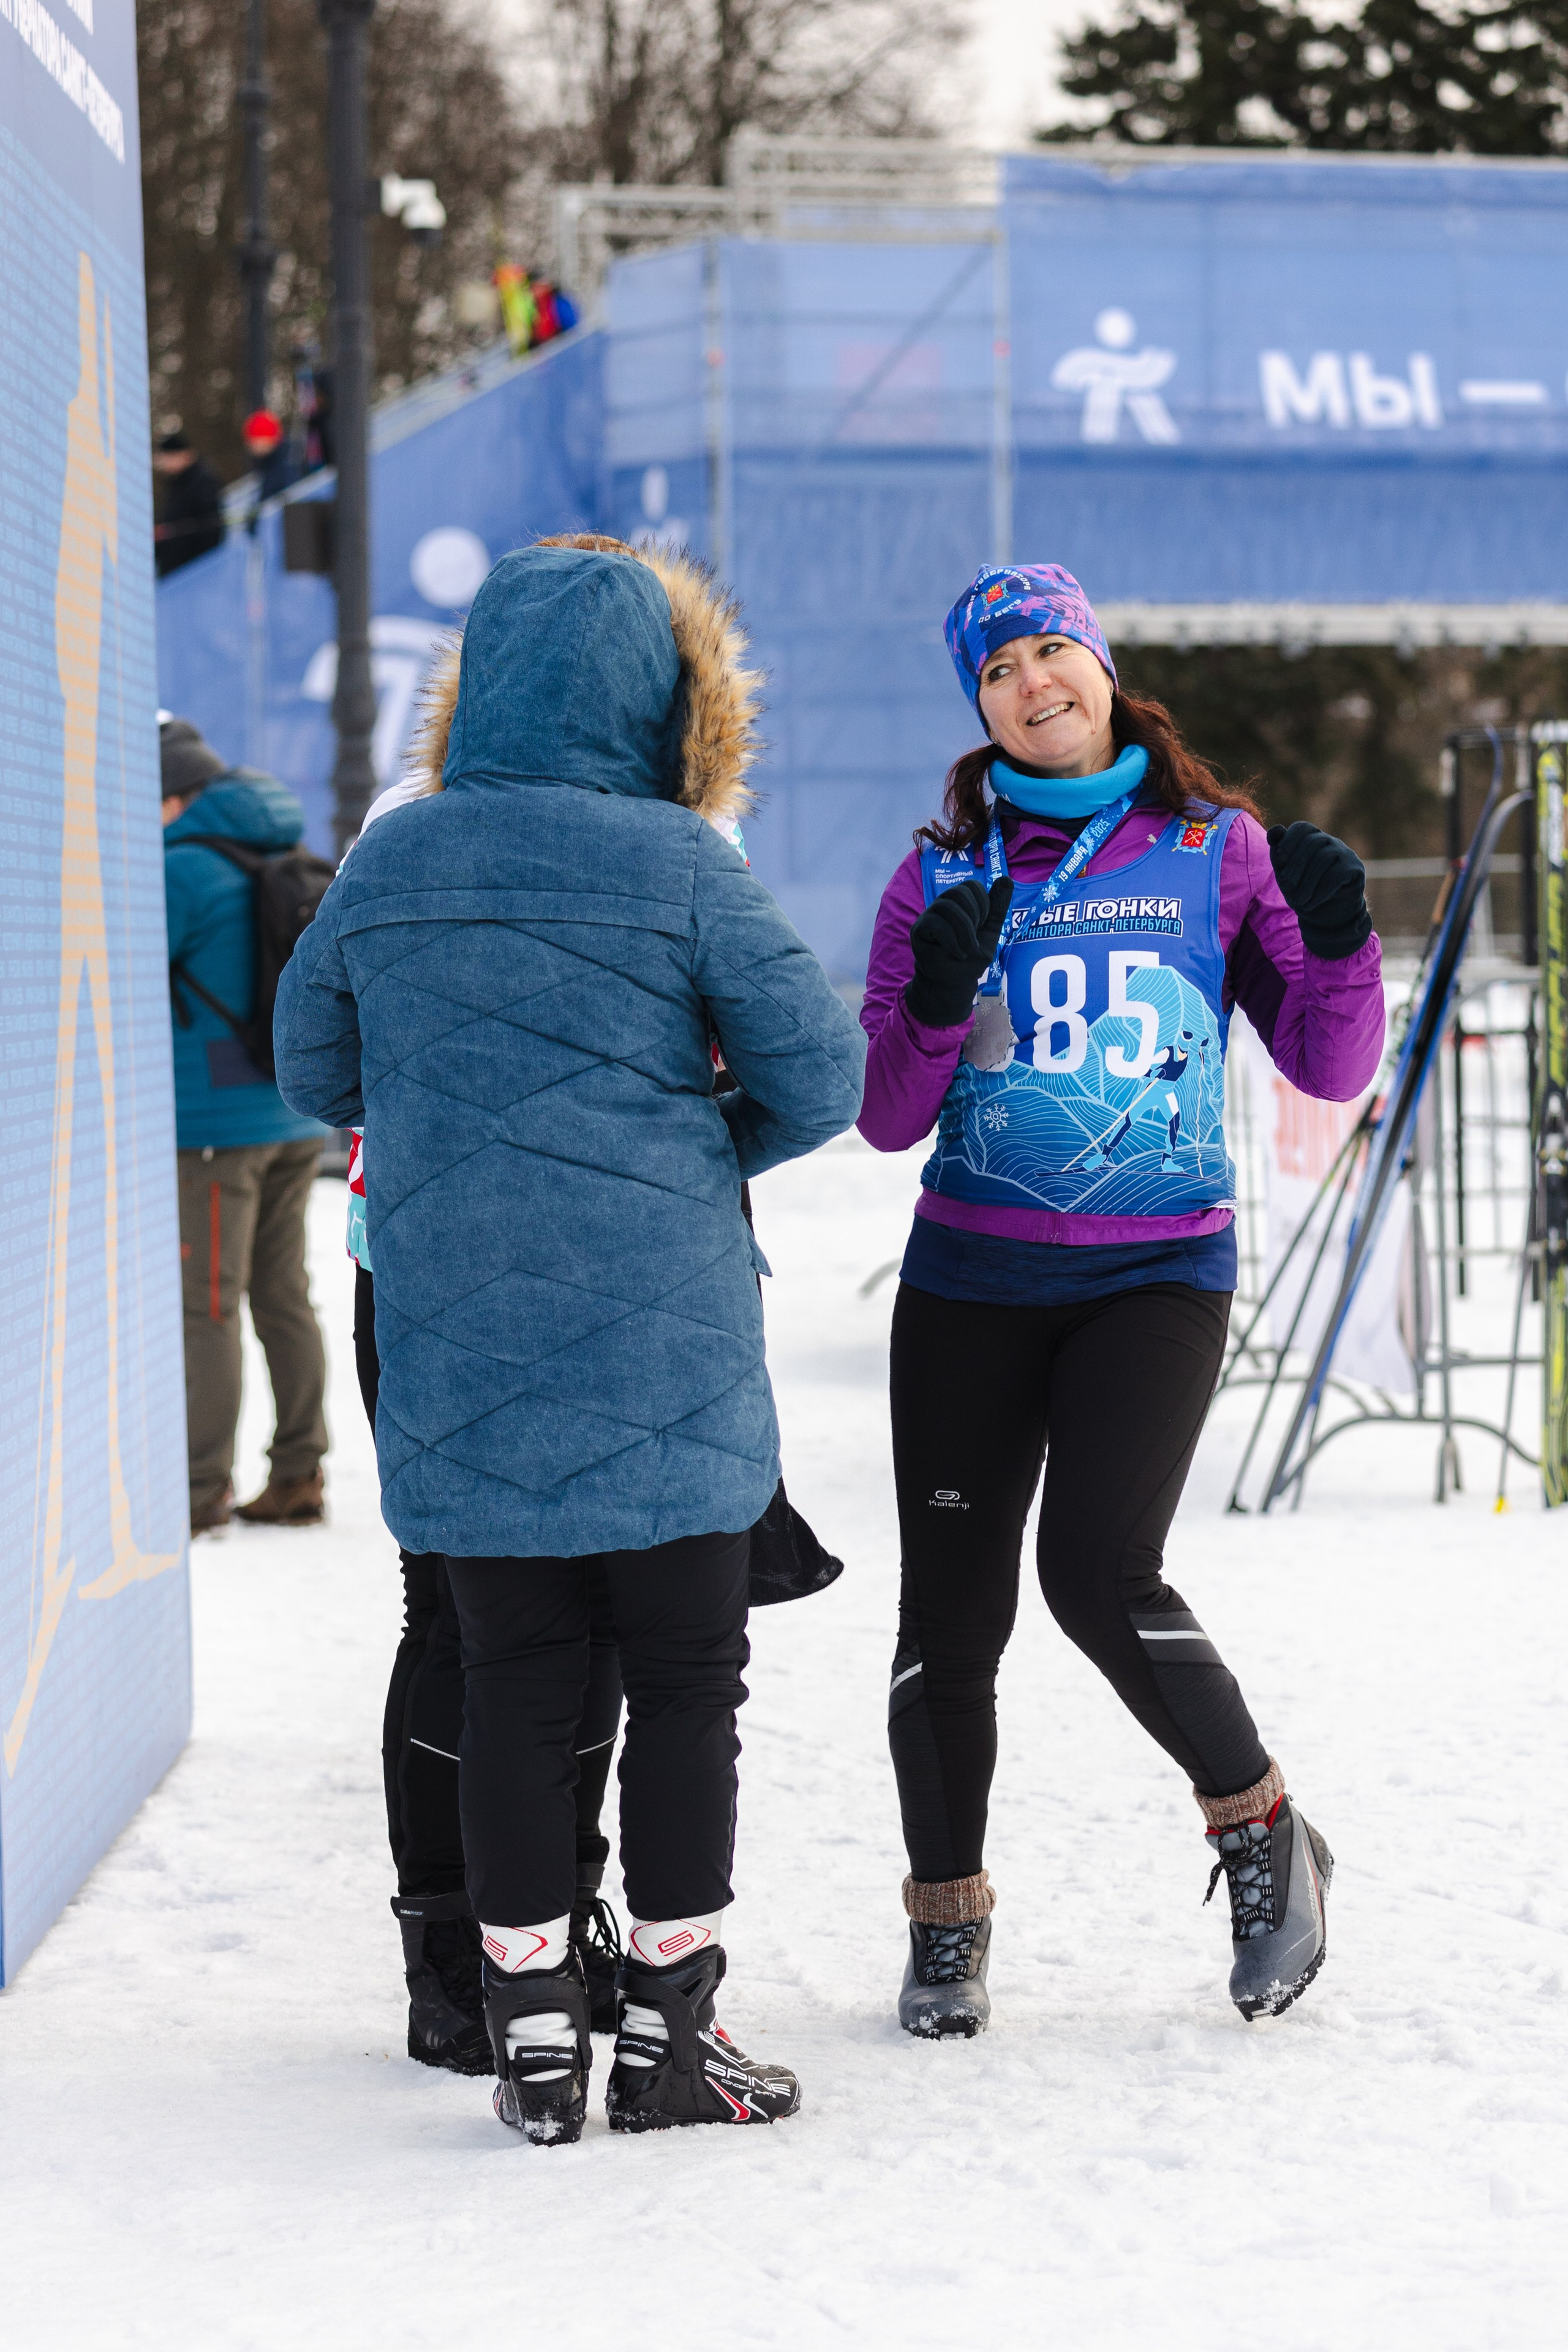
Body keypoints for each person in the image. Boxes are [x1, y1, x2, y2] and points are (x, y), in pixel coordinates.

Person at [274, 537, 866, 2146]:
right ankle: (674, 2042)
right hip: (668, 1349)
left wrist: (461, 1137)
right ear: (671, 700)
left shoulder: (397, 862)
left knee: (519, 1684)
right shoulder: (683, 863)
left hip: (462, 1336)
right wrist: (688, 1149)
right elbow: (820, 1075)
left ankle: (532, 2034)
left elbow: (311, 1063)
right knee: (687, 1687)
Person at [858, 564, 1385, 2038]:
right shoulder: (939, 874)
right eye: (998, 670)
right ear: (978, 705)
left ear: (1099, 666)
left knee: (1096, 1571)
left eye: (1051, 652)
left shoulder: (1215, 850)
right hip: (967, 1279)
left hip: (1151, 1273)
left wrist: (1340, 946)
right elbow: (886, 1116)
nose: (1033, 684)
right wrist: (925, 998)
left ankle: (1260, 1827)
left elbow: (1326, 1070)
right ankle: (943, 1921)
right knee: (945, 1620)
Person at [162, 716, 330, 1534]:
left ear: (173, 796)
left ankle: (199, 1490)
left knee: (209, 1306)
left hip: (211, 1131)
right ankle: (300, 1471)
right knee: (283, 1295)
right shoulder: (278, 854)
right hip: (292, 1115)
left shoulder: (183, 872)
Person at [153, 431, 225, 578]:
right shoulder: (175, 484)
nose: (165, 464)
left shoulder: (203, 482)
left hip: (195, 573)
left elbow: (210, 528)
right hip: (175, 573)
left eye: (168, 458)